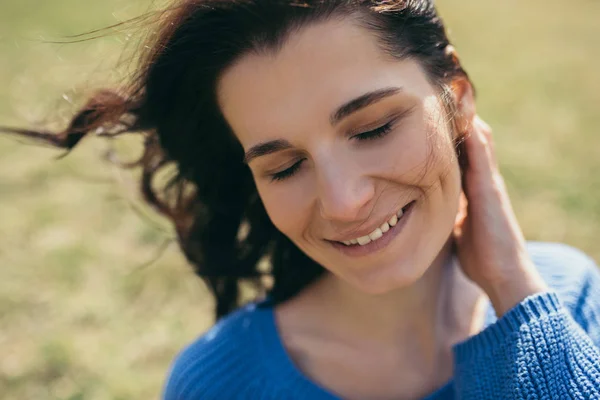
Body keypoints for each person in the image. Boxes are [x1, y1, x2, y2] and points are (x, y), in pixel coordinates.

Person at [3, 0, 600, 399]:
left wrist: (518, 296)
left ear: (458, 100)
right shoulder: (221, 384)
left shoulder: (568, 296)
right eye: (285, 167)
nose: (342, 202)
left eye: (372, 129)